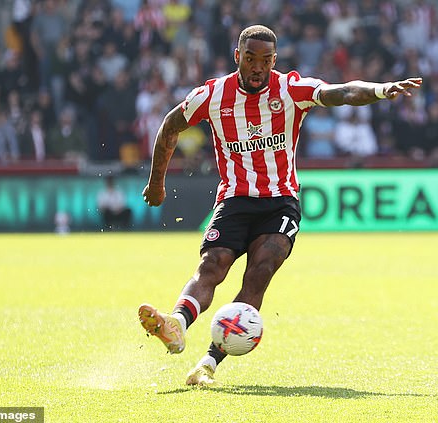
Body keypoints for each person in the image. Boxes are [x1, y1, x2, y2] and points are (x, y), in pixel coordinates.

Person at [139, 25, 422, 387]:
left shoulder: (290, 89)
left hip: (280, 202)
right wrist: (157, 181)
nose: (258, 67)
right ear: (237, 56)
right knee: (212, 265)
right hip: (234, 199)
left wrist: (381, 89)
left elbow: (343, 92)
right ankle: (176, 325)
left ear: (275, 61)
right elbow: (170, 125)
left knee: (260, 271)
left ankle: (208, 363)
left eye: (266, 60)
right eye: (251, 59)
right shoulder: (212, 95)